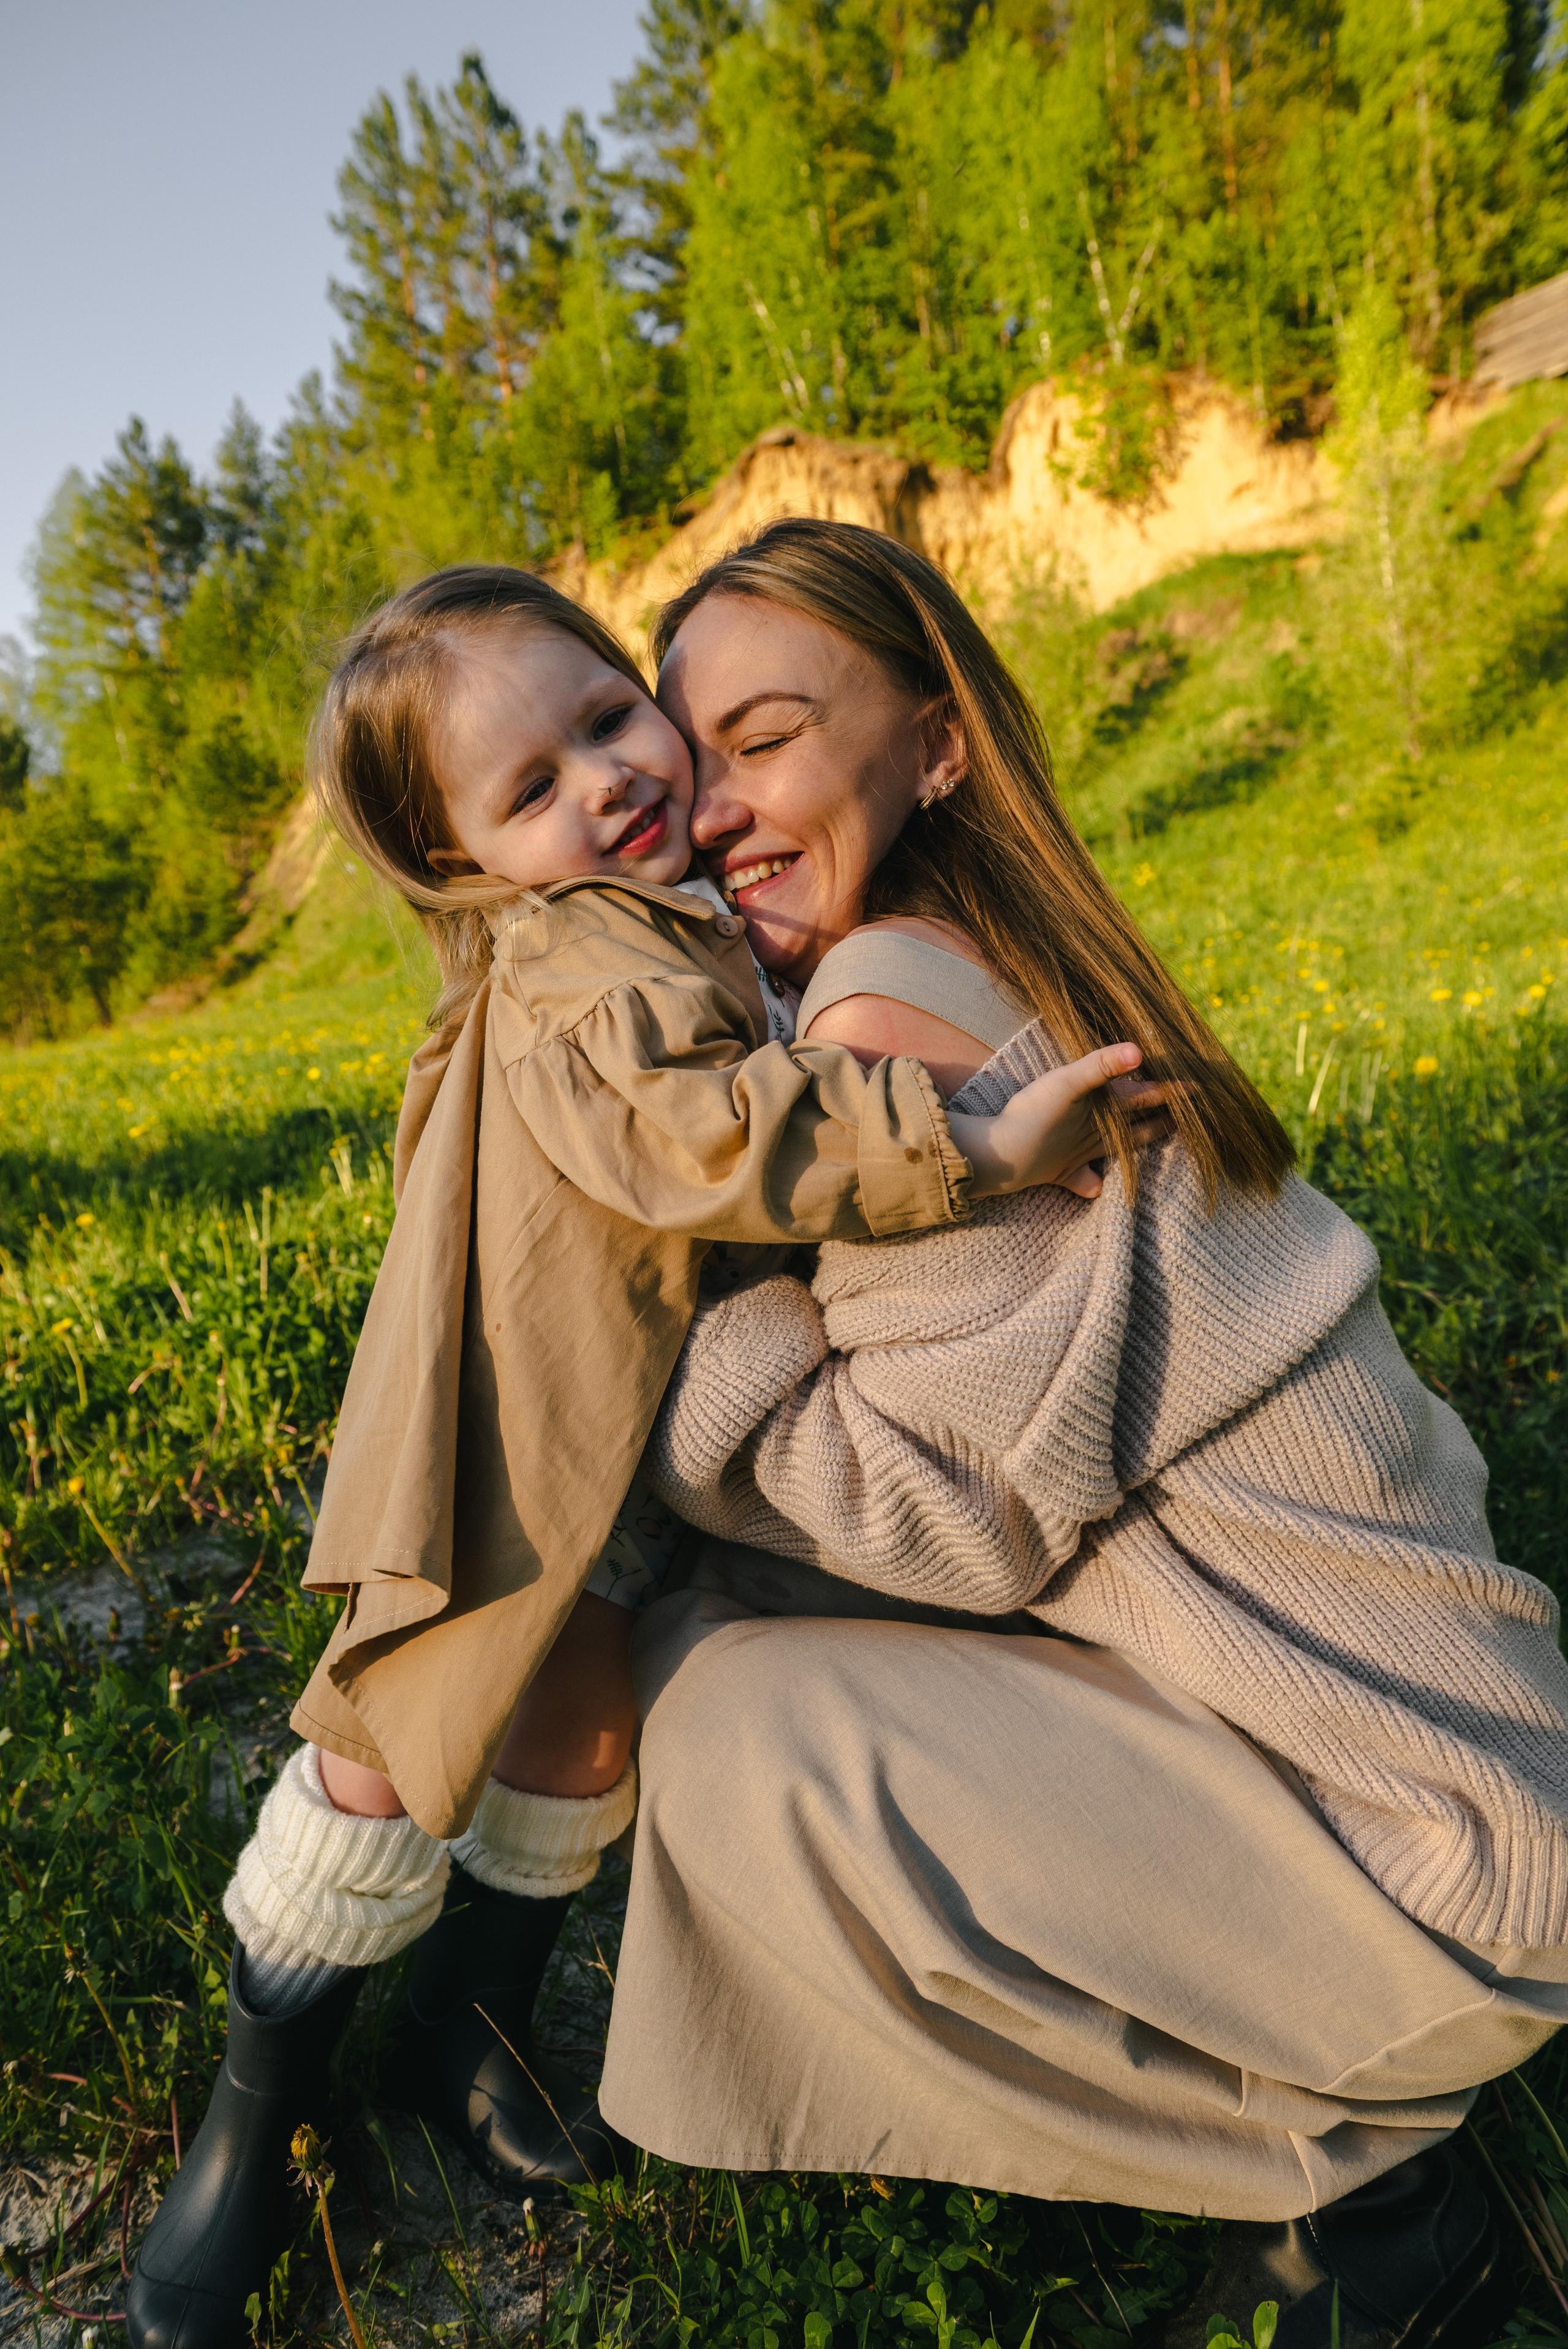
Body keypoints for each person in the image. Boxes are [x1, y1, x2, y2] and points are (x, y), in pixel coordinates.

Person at [126, 563, 1161, 2349]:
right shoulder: (586, 952)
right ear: (465, 864)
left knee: (570, 1736)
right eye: (528, 790)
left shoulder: (666, 911)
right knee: (380, 1754)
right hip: (506, 1463)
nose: (602, 781)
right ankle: (247, 2127)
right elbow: (715, 1137)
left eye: (608, 716)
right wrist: (971, 1142)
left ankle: (472, 2037)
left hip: (615, 1458)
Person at [592, 519, 1568, 2349]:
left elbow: (929, 1520)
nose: (710, 807)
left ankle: (1359, 2164)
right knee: (724, 1618)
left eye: (768, 735)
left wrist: (677, 1342)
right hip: (1450, 1748)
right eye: (685, 751)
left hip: (1438, 1845)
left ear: (936, 741)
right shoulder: (978, 951)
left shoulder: (892, 1009)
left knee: (729, 1727)